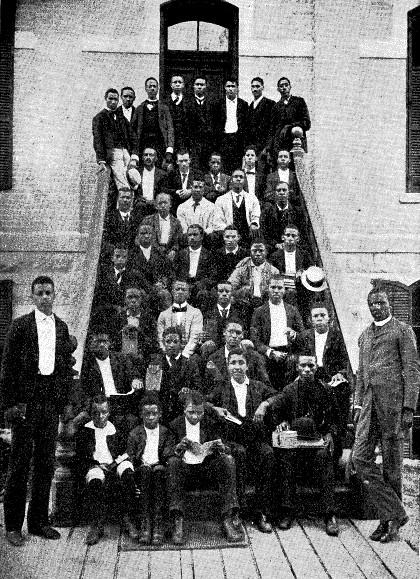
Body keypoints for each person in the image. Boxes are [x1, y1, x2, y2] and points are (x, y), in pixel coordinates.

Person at [0, 275, 74, 546]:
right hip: (25, 404)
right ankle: (12, 526)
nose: (44, 297)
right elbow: (7, 368)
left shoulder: (62, 328)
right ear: (32, 297)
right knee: (19, 464)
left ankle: (38, 522)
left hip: (49, 402)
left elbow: (65, 369)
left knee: (45, 463)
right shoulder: (20, 326)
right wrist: (9, 405)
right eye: (39, 293)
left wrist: (64, 403)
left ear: (55, 296)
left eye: (48, 293)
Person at [352, 287, 420, 543]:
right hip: (369, 410)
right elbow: (361, 374)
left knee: (392, 469)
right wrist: (358, 405)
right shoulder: (365, 335)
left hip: (393, 410)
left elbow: (412, 371)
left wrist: (409, 408)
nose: (376, 307)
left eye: (380, 303)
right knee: (359, 459)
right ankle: (396, 511)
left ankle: (389, 522)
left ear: (389, 304)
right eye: (372, 303)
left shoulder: (403, 331)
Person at [254, 354, 339, 536]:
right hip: (295, 445)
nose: (307, 369)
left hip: (317, 444)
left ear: (317, 367)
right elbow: (277, 409)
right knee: (285, 457)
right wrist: (281, 421)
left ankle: (329, 513)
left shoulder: (326, 390)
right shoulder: (290, 390)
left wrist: (330, 433)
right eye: (303, 366)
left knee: (324, 456)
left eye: (311, 365)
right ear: (297, 368)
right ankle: (287, 510)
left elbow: (334, 419)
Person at [207, 349, 276, 532]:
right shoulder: (221, 386)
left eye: (241, 363)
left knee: (267, 454)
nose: (237, 367)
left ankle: (261, 511)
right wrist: (215, 409)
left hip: (254, 436)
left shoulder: (257, 386)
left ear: (247, 365)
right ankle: (237, 510)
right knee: (238, 453)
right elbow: (204, 402)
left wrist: (264, 404)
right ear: (228, 366)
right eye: (233, 363)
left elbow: (278, 396)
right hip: (232, 437)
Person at [168, 390, 243, 544]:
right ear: (184, 410)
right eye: (191, 412)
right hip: (185, 469)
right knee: (173, 463)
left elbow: (226, 448)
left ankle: (227, 518)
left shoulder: (210, 423)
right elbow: (166, 452)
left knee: (228, 460)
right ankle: (178, 521)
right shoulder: (175, 425)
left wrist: (221, 447)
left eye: (199, 413)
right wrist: (178, 447)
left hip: (205, 468)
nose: (195, 417)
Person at [75, 395, 138, 545]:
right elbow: (81, 457)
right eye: (96, 413)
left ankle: (128, 518)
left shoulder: (115, 429)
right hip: (95, 464)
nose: (100, 416)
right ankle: (97, 524)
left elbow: (125, 451)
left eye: (104, 412)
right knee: (95, 479)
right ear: (91, 414)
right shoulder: (85, 431)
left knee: (127, 471)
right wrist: (95, 464)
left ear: (109, 412)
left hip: (114, 462)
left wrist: (115, 464)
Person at [295, 302, 350, 467]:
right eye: (315, 316)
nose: (319, 319)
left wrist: (341, 373)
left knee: (336, 405)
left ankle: (335, 450)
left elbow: (345, 360)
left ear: (329, 318)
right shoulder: (304, 336)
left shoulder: (338, 336)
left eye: (322, 316)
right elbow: (297, 358)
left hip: (331, 378)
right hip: (310, 376)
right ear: (311, 320)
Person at [125, 392, 175, 545]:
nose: (151, 417)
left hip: (159, 468)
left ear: (160, 414)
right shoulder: (135, 433)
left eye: (154, 413)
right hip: (143, 469)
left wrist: (162, 462)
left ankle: (158, 523)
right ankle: (145, 522)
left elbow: (168, 453)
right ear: (141, 415)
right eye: (147, 414)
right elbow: (131, 457)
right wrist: (140, 465)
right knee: (146, 471)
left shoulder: (166, 433)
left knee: (159, 472)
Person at [251, 275, 304, 390]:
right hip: (268, 353)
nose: (276, 291)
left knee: (293, 362)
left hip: (287, 352)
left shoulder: (293, 310)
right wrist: (270, 352)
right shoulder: (259, 312)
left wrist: (294, 334)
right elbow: (254, 338)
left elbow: (303, 335)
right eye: (273, 287)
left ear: (284, 290)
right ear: (267, 288)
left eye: (279, 288)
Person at [152, 327, 202, 424]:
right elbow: (151, 391)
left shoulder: (190, 364)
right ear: (163, 343)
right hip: (161, 413)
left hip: (182, 413)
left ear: (182, 344)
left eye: (175, 342)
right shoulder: (155, 364)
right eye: (168, 341)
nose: (171, 345)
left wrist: (189, 392)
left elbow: (198, 389)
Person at [205, 320, 271, 393]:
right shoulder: (213, 358)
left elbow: (265, 386)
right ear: (224, 332)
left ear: (242, 335)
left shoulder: (255, 357)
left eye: (238, 333)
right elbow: (208, 388)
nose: (234, 336)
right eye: (231, 332)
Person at [92, 88, 132, 191]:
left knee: (133, 175)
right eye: (110, 98)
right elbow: (98, 140)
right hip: (113, 152)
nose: (113, 102)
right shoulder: (99, 117)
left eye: (116, 99)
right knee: (122, 181)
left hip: (125, 151)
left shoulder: (121, 117)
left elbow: (131, 135)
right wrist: (101, 160)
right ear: (105, 99)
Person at [130, 77, 174, 167]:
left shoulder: (164, 108)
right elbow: (132, 130)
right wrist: (135, 150)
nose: (152, 88)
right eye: (150, 86)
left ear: (158, 88)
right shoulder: (139, 108)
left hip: (160, 144)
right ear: (146, 89)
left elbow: (170, 128)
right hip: (143, 144)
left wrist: (169, 149)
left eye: (154, 86)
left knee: (159, 169)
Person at [213, 168, 261, 247]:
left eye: (241, 177)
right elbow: (218, 221)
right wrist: (230, 233)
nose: (238, 179)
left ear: (244, 180)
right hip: (228, 238)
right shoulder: (221, 200)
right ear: (231, 179)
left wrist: (253, 224)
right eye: (236, 177)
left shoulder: (252, 199)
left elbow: (256, 216)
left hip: (247, 238)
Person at [173, 224, 216, 310]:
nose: (192, 237)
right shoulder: (181, 254)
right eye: (189, 235)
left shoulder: (209, 255)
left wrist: (201, 284)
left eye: (195, 235)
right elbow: (174, 272)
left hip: (199, 285)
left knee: (203, 294)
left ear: (201, 237)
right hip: (184, 284)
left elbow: (213, 276)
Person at [228, 239, 279, 311]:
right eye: (254, 251)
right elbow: (230, 286)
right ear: (250, 252)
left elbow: (277, 291)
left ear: (266, 252)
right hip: (245, 303)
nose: (258, 253)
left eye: (261, 251)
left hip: (266, 305)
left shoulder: (274, 271)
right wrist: (243, 291)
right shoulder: (242, 268)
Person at [157, 280, 203, 359]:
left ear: (189, 294)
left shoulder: (196, 313)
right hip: (168, 354)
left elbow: (195, 337)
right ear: (172, 292)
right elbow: (160, 337)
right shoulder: (163, 315)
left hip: (188, 355)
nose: (180, 292)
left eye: (183, 290)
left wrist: (184, 355)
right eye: (177, 289)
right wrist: (167, 353)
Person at [267, 77, 311, 157]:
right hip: (281, 145)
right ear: (278, 89)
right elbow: (272, 129)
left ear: (290, 87)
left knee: (297, 168)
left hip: (296, 144)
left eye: (286, 85)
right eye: (281, 86)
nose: (284, 88)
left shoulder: (299, 102)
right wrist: (269, 149)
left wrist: (289, 127)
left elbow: (307, 123)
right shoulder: (276, 107)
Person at [103, 187, 152, 254]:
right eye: (122, 197)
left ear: (132, 200)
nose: (125, 200)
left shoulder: (137, 218)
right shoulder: (109, 217)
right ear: (118, 199)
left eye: (128, 198)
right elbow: (105, 240)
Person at [127, 222, 173, 292]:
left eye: (149, 233)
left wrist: (162, 283)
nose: (146, 236)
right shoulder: (131, 254)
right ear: (137, 236)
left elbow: (168, 273)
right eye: (143, 233)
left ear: (153, 236)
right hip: (138, 289)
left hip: (157, 289)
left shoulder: (160, 253)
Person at [216, 79, 248, 175]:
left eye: (233, 86)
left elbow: (246, 125)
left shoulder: (243, 104)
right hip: (223, 139)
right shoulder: (218, 104)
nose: (230, 89)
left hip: (237, 140)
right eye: (228, 86)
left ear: (237, 89)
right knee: (223, 168)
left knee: (237, 168)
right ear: (225, 88)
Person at [185, 76, 217, 170]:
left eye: (202, 85)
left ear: (206, 86)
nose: (199, 87)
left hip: (208, 144)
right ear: (193, 86)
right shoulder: (187, 103)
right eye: (197, 84)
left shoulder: (212, 103)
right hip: (193, 144)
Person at [260, 182, 300, 255]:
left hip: (293, 247)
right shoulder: (267, 212)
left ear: (289, 192)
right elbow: (264, 233)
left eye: (284, 190)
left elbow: (302, 233)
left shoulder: (297, 212)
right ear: (275, 193)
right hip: (272, 248)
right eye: (279, 190)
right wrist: (276, 244)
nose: (281, 192)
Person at [202, 281, 245, 350]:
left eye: (227, 291)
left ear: (232, 293)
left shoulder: (239, 313)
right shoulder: (208, 313)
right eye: (221, 291)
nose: (224, 294)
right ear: (216, 293)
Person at [141, 193, 184, 259]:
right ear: (156, 206)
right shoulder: (148, 221)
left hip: (170, 256)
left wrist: (174, 250)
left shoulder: (176, 222)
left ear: (170, 205)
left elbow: (179, 240)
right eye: (160, 203)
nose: (163, 206)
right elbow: (140, 239)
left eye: (165, 203)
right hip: (152, 255)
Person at [163, 148, 203, 213]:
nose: (184, 164)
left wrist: (190, 191)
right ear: (177, 162)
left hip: (193, 205)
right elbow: (164, 188)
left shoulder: (197, 174)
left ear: (189, 160)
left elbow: (204, 188)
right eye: (181, 161)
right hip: (176, 206)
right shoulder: (172, 174)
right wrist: (176, 191)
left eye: (186, 160)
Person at [93, 243, 130, 309]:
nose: (121, 259)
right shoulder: (104, 273)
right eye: (117, 256)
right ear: (112, 258)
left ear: (127, 259)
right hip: (107, 310)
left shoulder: (132, 274)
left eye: (124, 257)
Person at [246, 77, 275, 157]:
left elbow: (272, 128)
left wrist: (268, 147)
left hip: (264, 148)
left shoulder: (270, 104)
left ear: (263, 87)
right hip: (252, 148)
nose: (255, 89)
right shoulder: (250, 106)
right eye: (253, 86)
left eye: (257, 86)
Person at [165, 74, 189, 152]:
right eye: (175, 82)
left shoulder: (189, 101)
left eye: (180, 82)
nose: (177, 84)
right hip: (169, 138)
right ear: (171, 85)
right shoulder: (164, 102)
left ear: (183, 85)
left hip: (185, 138)